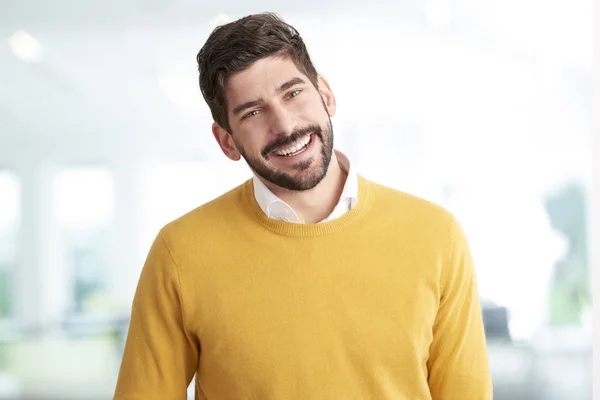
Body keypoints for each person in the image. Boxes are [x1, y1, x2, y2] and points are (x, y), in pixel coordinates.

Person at [113, 12, 492, 400]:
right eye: (253, 112)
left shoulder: (435, 236)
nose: (285, 124)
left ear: (325, 94)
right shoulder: (180, 253)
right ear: (226, 141)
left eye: (293, 93)